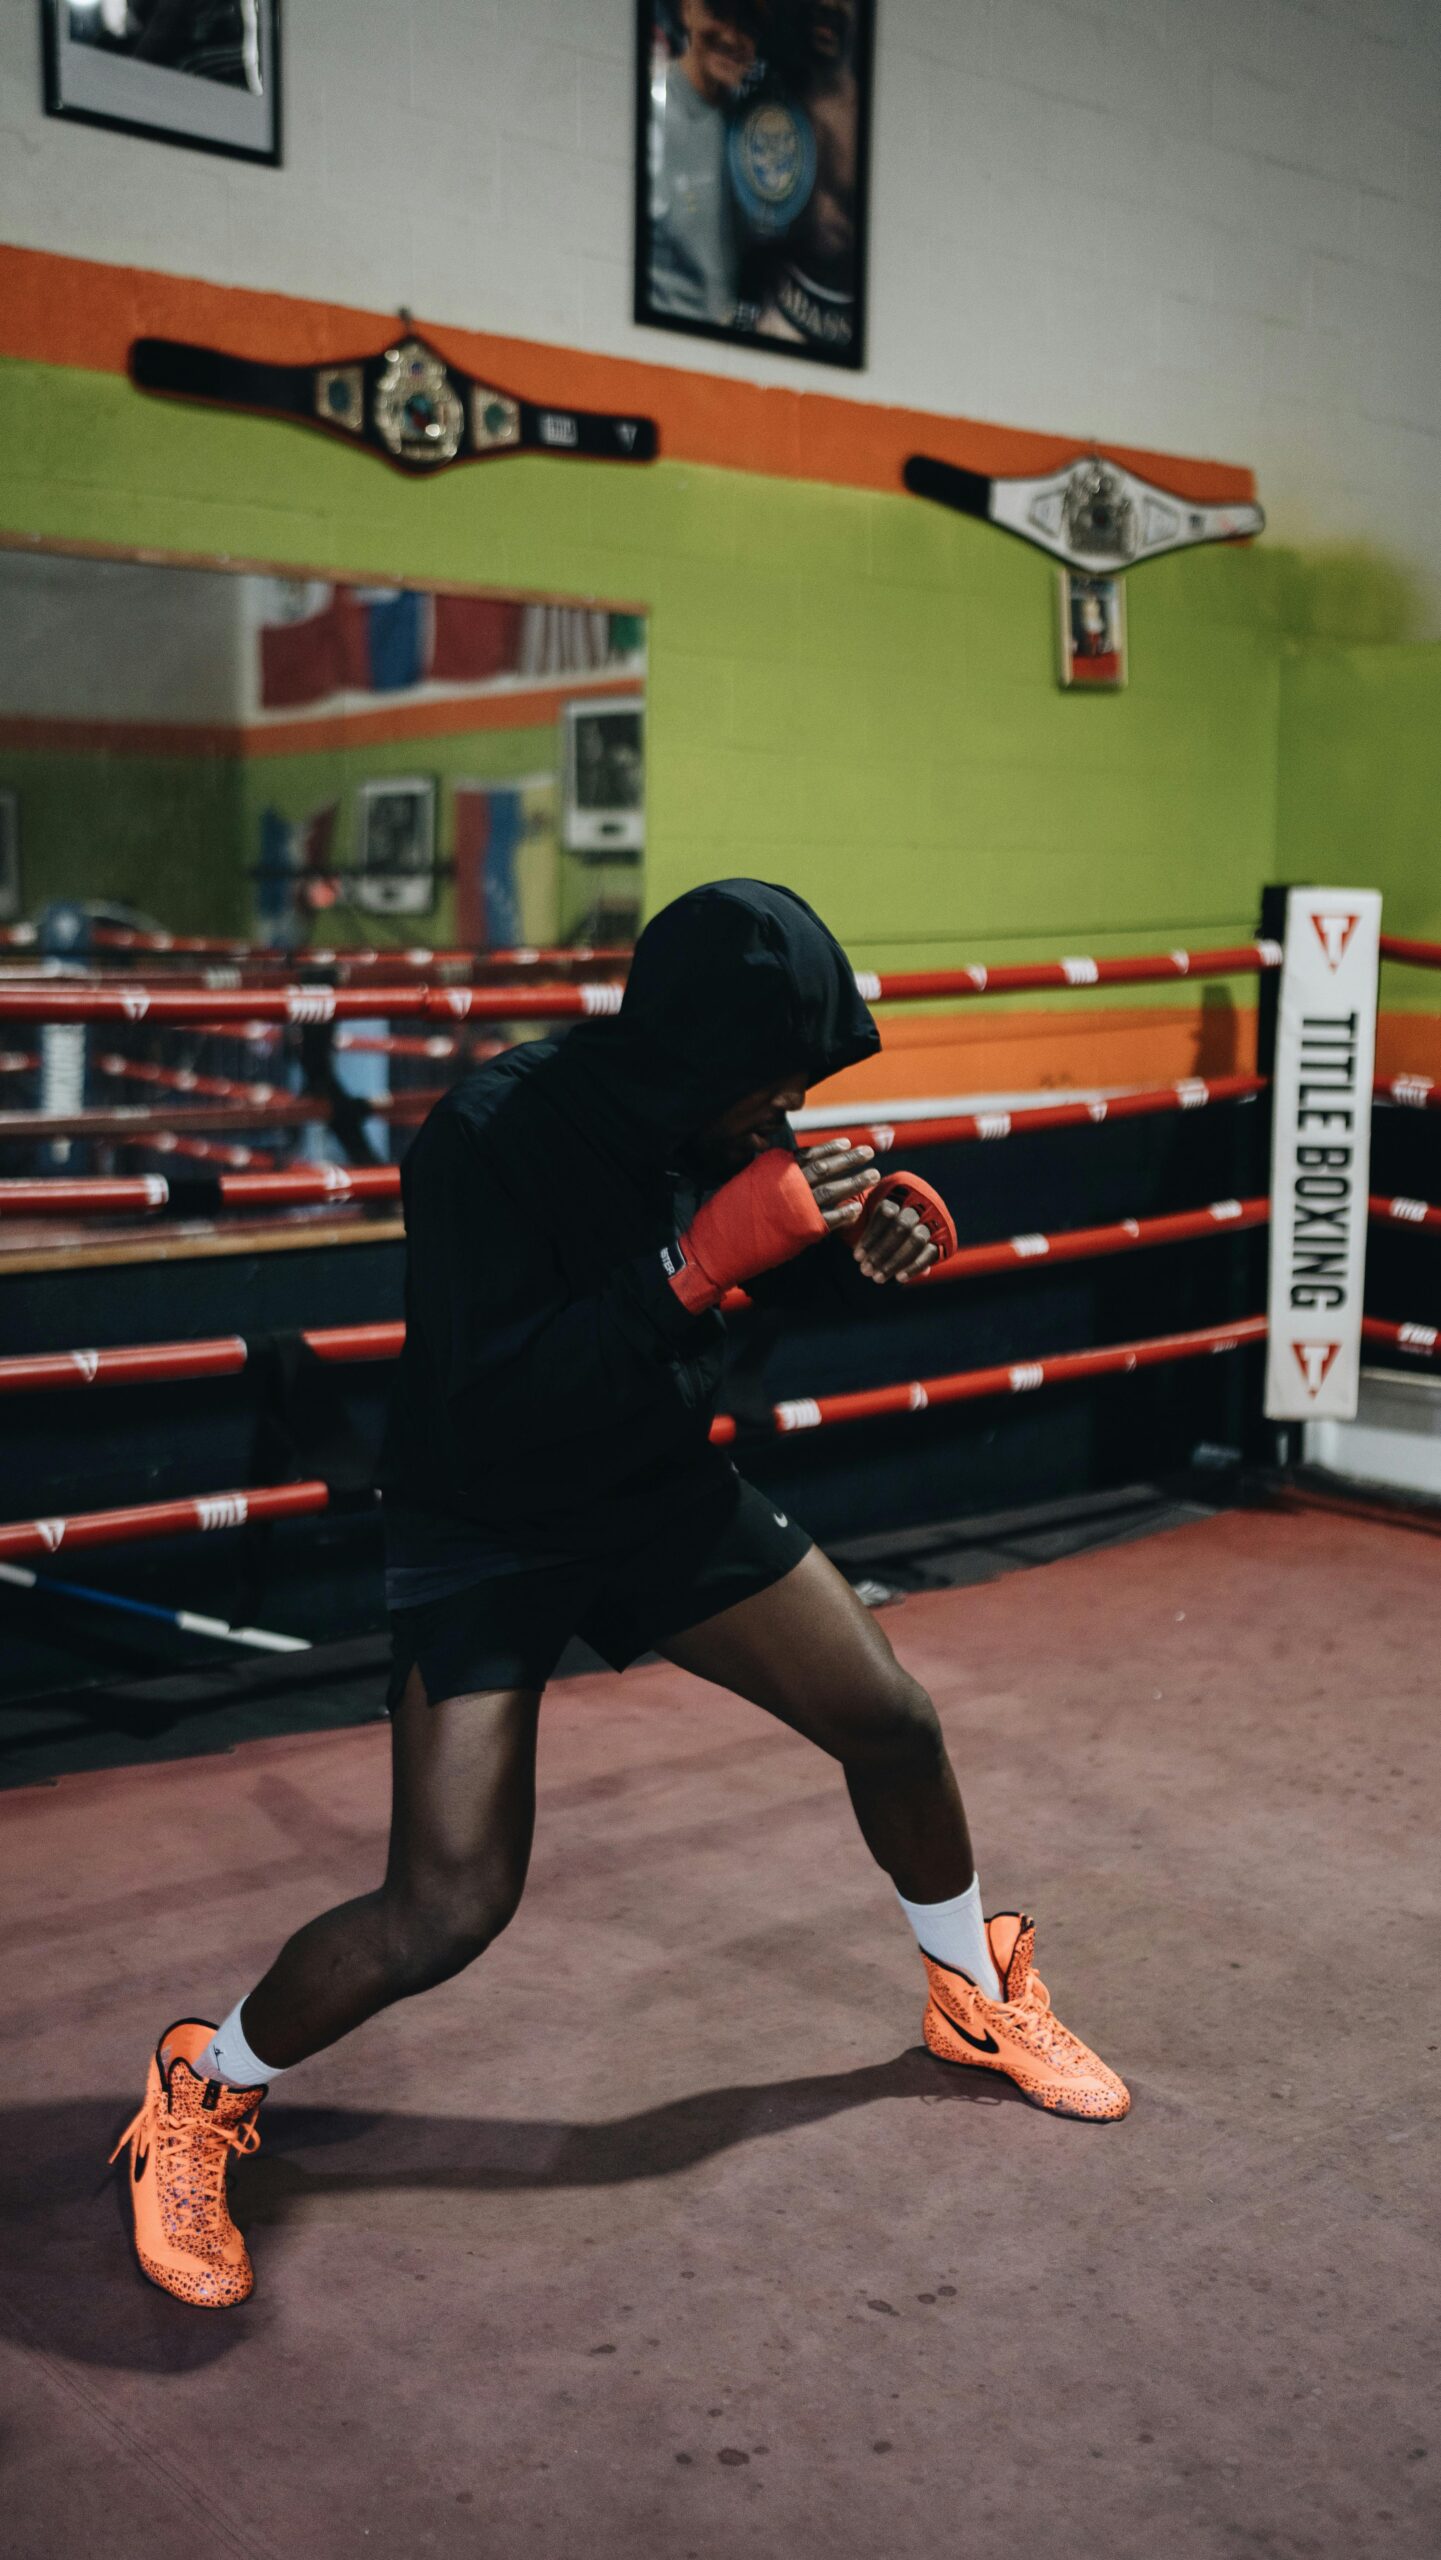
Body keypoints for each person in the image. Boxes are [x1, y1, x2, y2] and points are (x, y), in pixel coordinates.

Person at [112, 880, 1129, 2311]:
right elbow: (495, 1394)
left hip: (651, 1493)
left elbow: (760, 1281)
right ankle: (198, 2087)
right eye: (770, 1081)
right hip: (487, 1521)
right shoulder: (488, 1137)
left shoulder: (718, 1115)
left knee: (888, 1718)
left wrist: (849, 1253)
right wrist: (697, 1263)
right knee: (448, 1904)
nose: (782, 1105)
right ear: (699, 1057)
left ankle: (970, 1991)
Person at [647, 0, 760, 326]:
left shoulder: (752, 125)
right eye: (718, 10)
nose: (731, 36)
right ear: (687, 10)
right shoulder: (652, 112)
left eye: (748, 22)